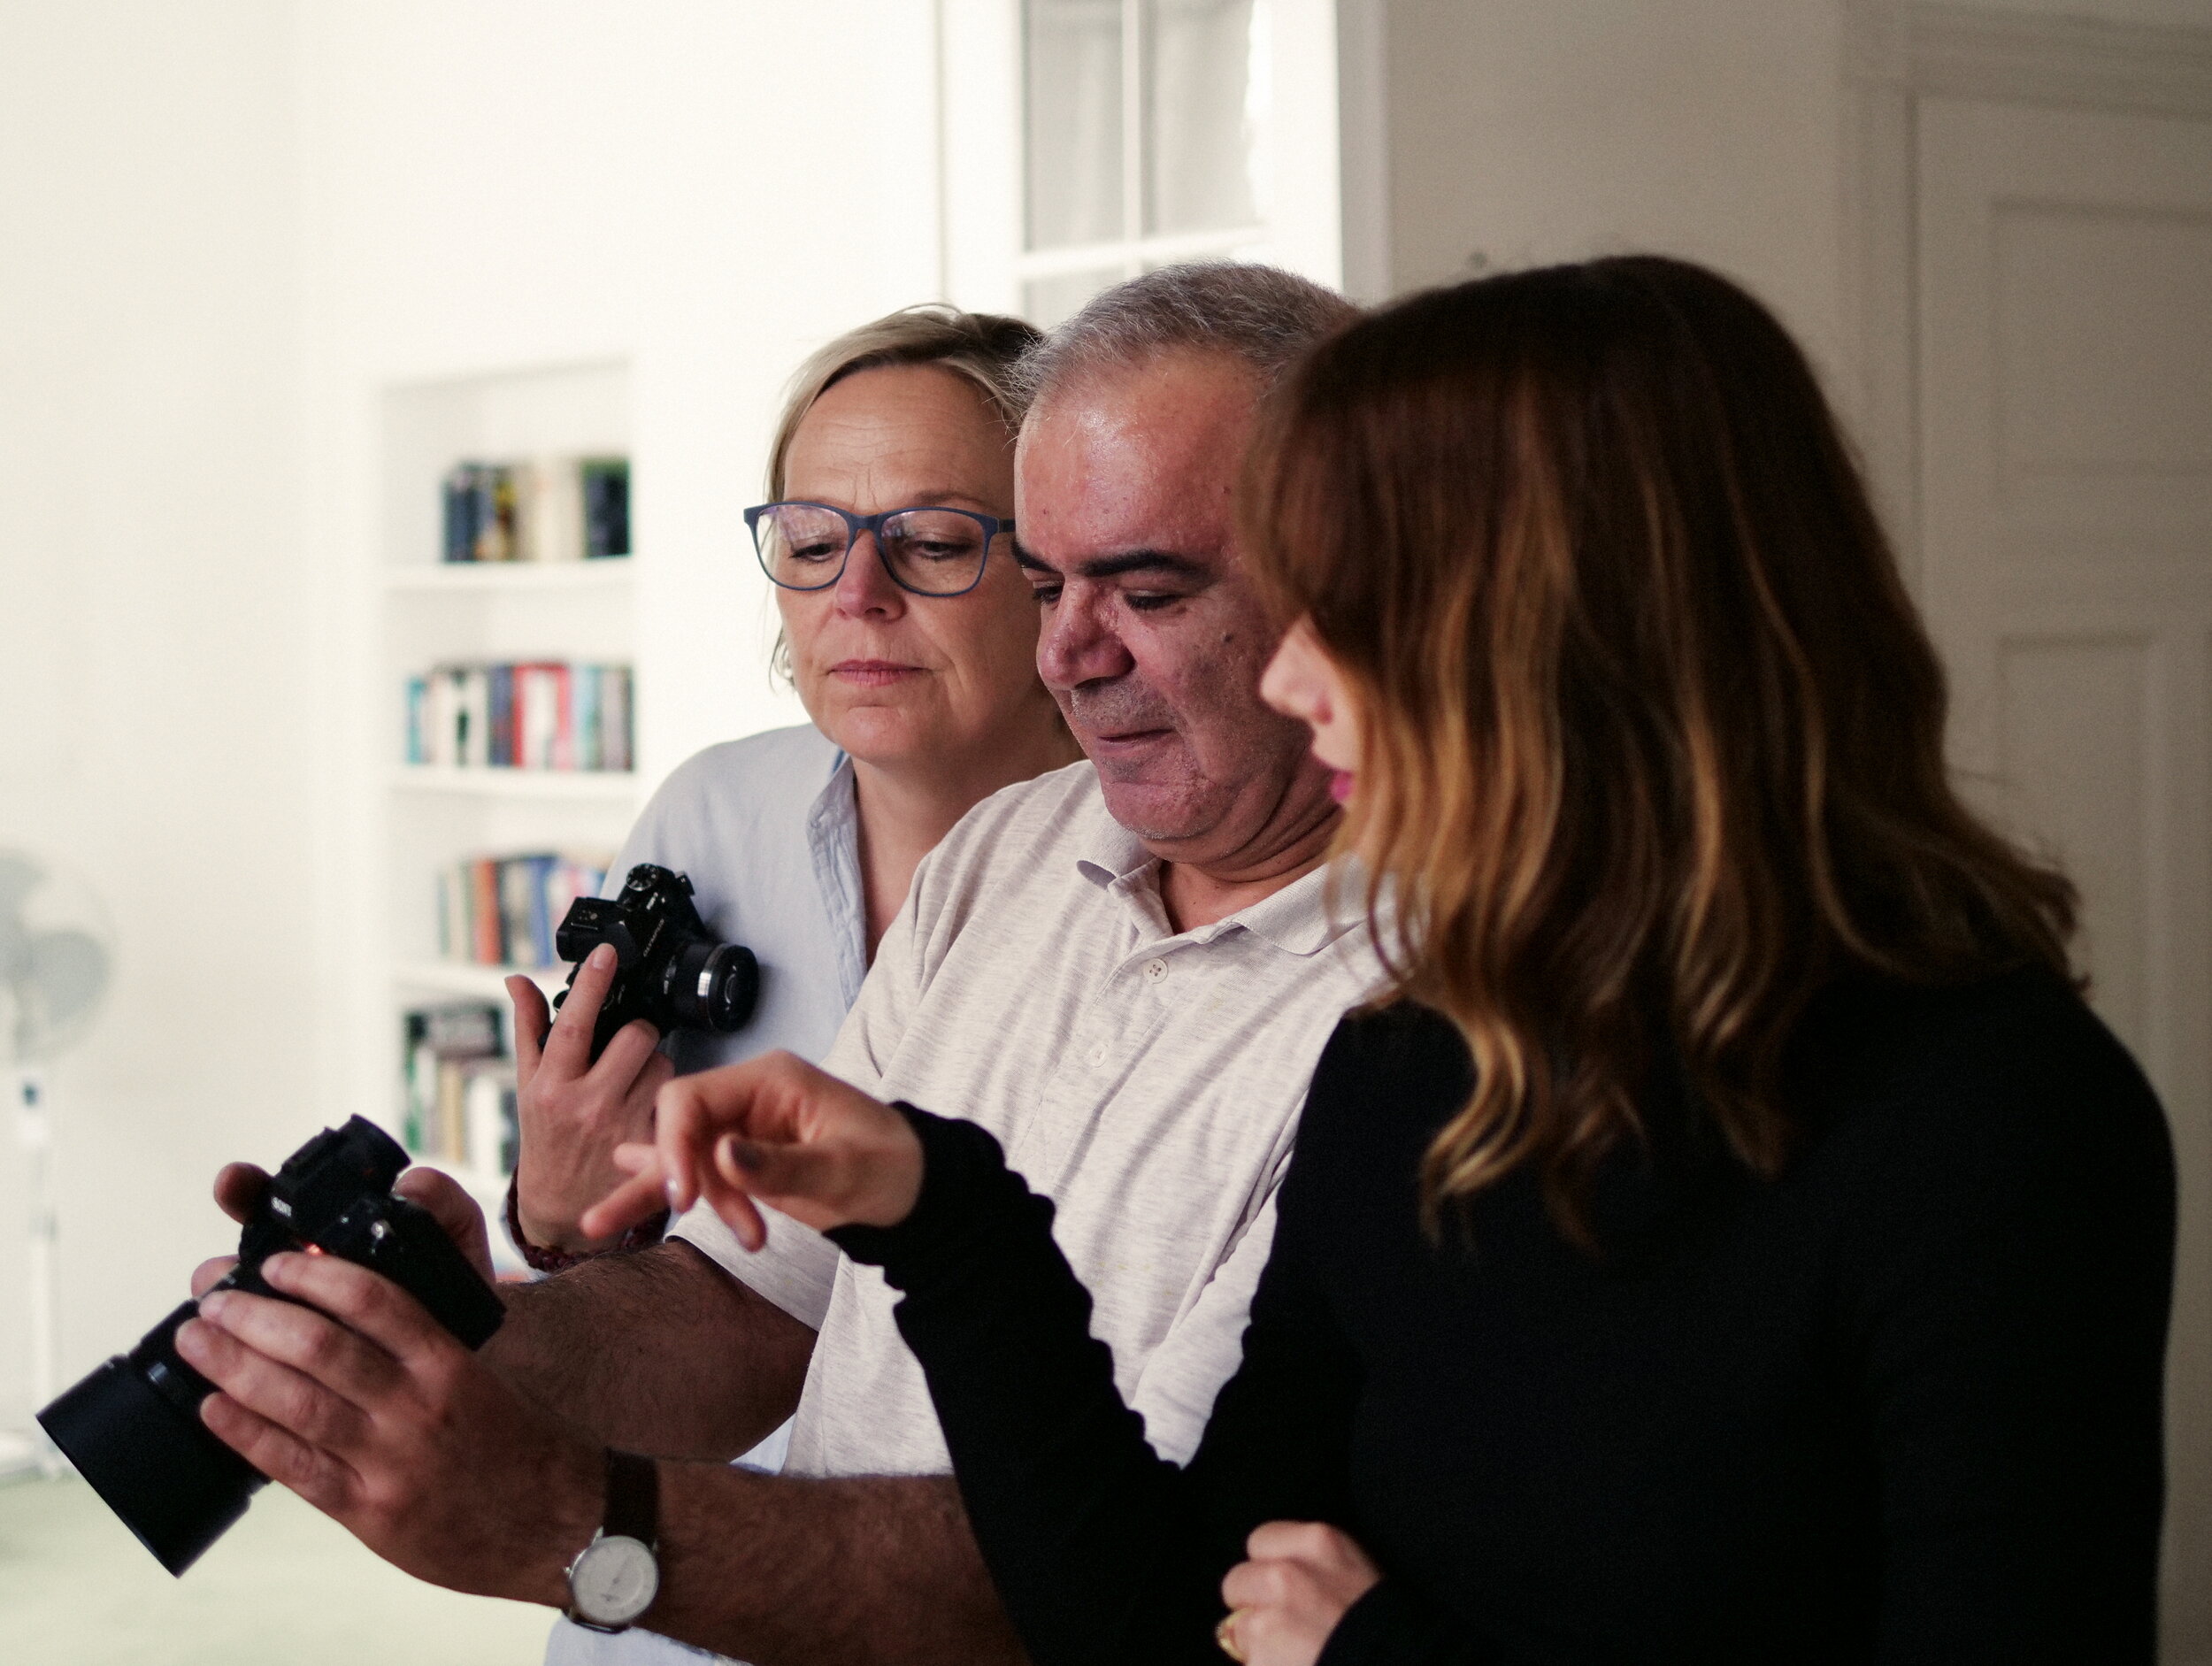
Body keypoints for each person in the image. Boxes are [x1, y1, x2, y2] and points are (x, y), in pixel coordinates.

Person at [615, 257, 2179, 1666]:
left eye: (1347, 605)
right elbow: (1159, 1620)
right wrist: (940, 1212)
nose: (1295, 676)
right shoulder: (1425, 1053)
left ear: (1580, 635)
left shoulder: (1993, 1116)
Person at [173, 264, 1378, 1666]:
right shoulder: (1012, 854)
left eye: (1148, 589)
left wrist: (564, 1525)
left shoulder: (1440, 1018)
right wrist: (462, 1328)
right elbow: (757, 1315)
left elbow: (1116, 1567)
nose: (1067, 652)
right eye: (1049, 583)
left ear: (1356, 584)